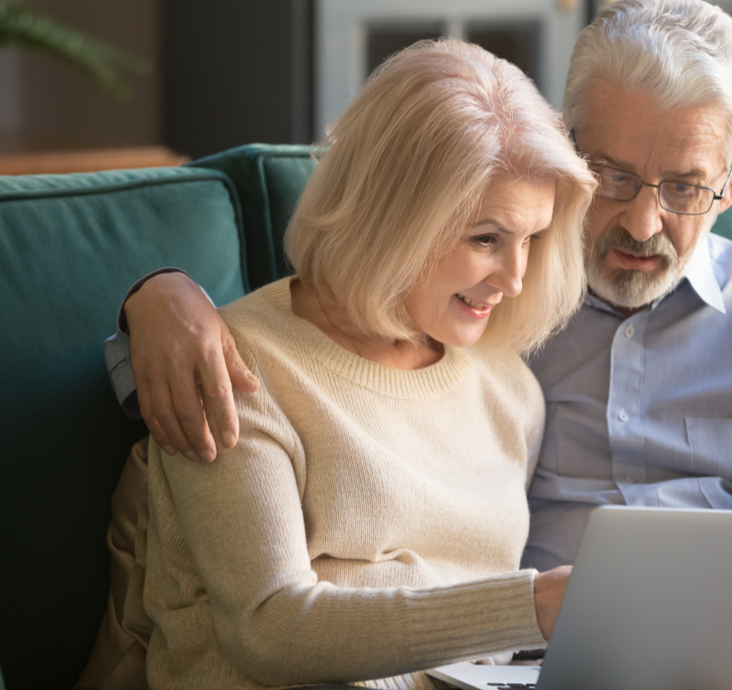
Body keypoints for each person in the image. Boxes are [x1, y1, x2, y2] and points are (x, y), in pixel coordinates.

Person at [107, 2, 732, 688]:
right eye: (612, 175)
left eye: (685, 187)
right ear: (566, 146)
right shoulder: (487, 323)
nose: (641, 220)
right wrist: (156, 300)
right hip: (534, 662)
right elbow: (299, 352)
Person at [81, 39, 597, 690]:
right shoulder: (233, 368)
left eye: (532, 239)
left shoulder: (510, 390)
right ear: (394, 218)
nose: (516, 278)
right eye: (486, 239)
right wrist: (529, 609)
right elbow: (269, 628)